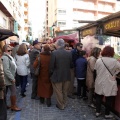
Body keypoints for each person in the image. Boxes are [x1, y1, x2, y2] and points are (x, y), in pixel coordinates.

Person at [94, 46, 120, 118]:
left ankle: (97, 112)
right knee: (109, 99)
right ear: (112, 52)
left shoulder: (99, 60)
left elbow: (95, 71)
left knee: (99, 97)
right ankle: (107, 114)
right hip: (109, 82)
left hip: (99, 81)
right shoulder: (114, 61)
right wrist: (115, 74)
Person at [50, 39, 73, 110]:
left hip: (57, 76)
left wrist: (51, 74)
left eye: (56, 44)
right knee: (64, 91)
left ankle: (61, 105)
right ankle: (64, 103)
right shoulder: (69, 53)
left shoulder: (54, 53)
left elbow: (51, 66)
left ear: (58, 45)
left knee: (59, 91)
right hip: (67, 75)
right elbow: (71, 65)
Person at [2, 44, 21, 111]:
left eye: (11, 49)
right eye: (8, 49)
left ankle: (4, 106)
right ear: (5, 50)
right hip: (8, 79)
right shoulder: (5, 57)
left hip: (9, 78)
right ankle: (13, 106)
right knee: (13, 91)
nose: (10, 51)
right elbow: (6, 69)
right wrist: (12, 78)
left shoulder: (9, 56)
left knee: (5, 93)